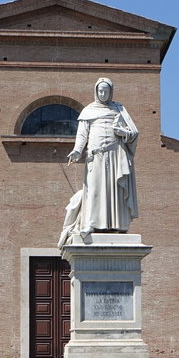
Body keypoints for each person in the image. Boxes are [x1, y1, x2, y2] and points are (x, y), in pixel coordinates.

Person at [59, 77, 139, 247]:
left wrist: (122, 132)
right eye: (100, 91)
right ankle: (91, 223)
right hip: (95, 157)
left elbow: (134, 133)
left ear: (111, 92)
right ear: (96, 91)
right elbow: (82, 134)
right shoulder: (89, 110)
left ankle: (117, 225)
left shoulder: (119, 109)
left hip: (115, 156)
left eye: (106, 91)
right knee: (94, 189)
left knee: (113, 190)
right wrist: (77, 150)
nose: (103, 94)